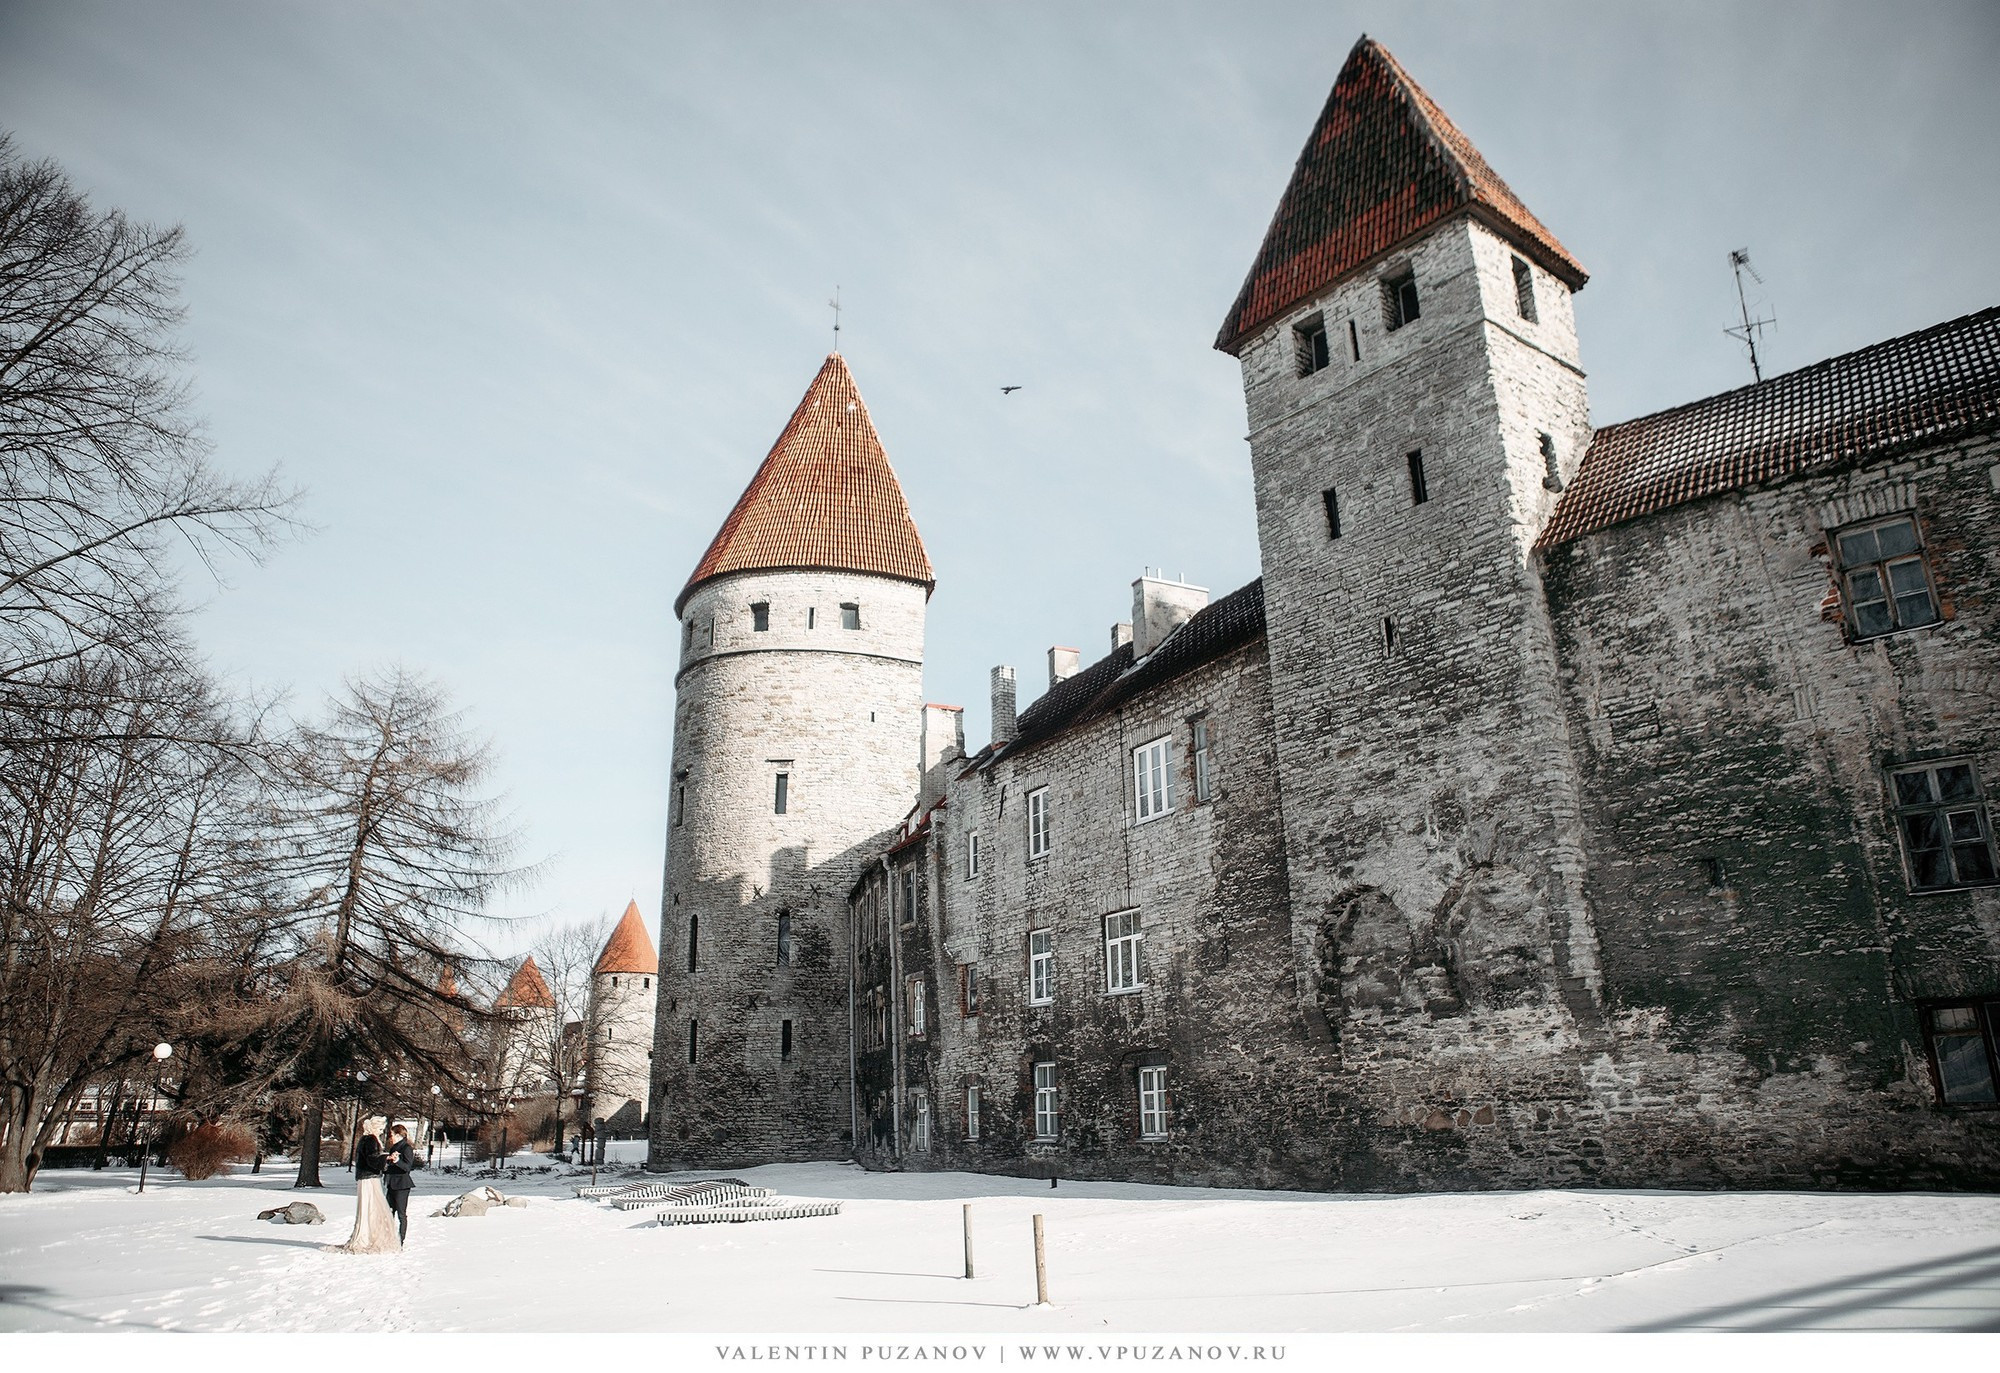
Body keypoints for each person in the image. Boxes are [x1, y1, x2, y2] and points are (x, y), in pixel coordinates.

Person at [337, 1115, 400, 1253]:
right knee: (370, 1206)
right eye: (381, 1128)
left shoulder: (367, 1139)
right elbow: (372, 1158)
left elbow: (372, 1158)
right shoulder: (370, 1139)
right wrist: (387, 1158)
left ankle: (367, 1235)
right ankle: (366, 1237)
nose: (382, 1131)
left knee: (370, 1206)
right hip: (368, 1178)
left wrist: (386, 1159)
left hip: (367, 1177)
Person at [382, 1122, 416, 1245]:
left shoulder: (406, 1148)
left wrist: (397, 1161)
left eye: (391, 1134)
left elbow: (407, 1167)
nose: (390, 1137)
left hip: (402, 1185)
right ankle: (388, 1237)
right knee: (388, 1212)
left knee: (401, 1214)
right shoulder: (393, 1148)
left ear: (397, 1135)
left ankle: (401, 1240)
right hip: (391, 1184)